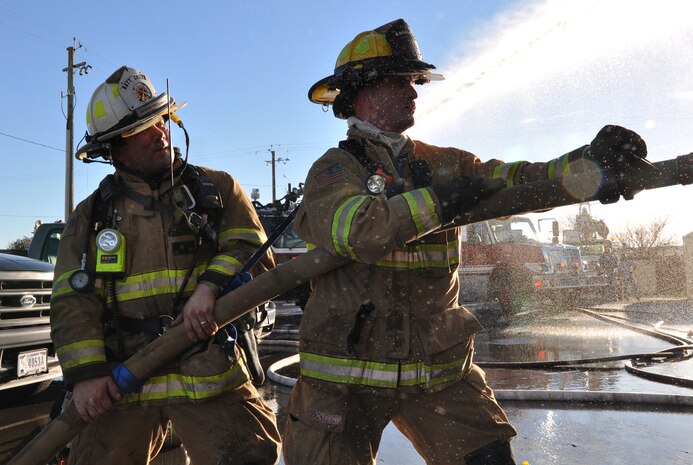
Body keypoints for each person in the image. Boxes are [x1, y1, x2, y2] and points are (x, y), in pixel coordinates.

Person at [282, 19, 647, 465]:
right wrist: (442, 199)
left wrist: (588, 165)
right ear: (361, 91)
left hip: (439, 372)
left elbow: (518, 179)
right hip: (344, 379)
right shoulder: (333, 171)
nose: (414, 92)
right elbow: (361, 230)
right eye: (400, 82)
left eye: (414, 81)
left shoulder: (446, 163)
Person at [50, 66, 281, 465]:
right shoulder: (92, 216)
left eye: (160, 119)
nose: (160, 132)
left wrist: (210, 288)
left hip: (211, 374)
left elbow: (254, 250)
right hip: (125, 387)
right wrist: (86, 375)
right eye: (143, 127)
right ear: (114, 148)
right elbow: (73, 299)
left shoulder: (218, 190)